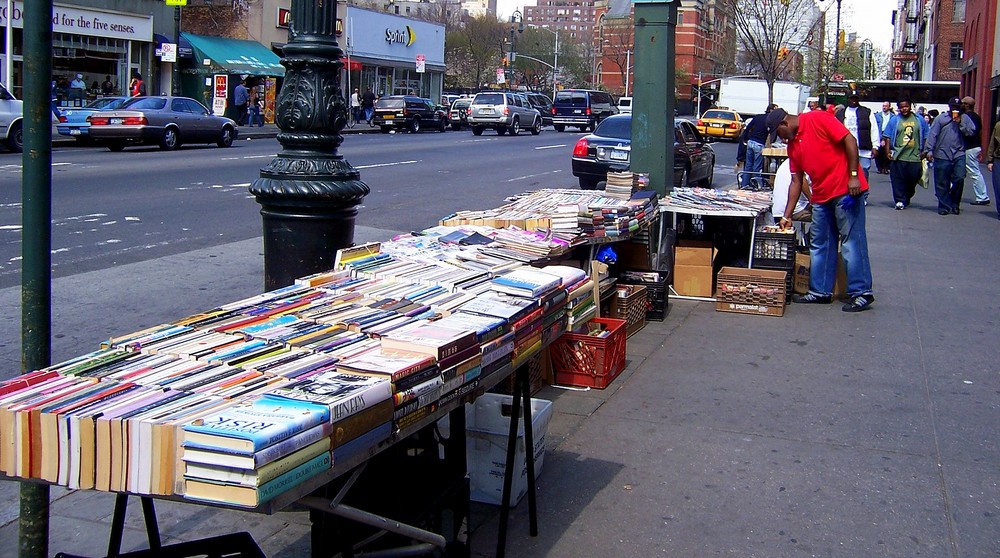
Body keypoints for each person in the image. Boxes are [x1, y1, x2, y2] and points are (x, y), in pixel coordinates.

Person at [768, 107, 875, 312]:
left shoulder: (817, 119)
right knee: (820, 242)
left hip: (845, 191)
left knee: (852, 241)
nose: (780, 139)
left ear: (785, 123)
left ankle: (861, 292)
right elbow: (796, 182)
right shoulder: (793, 147)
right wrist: (787, 215)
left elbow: (849, 140)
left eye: (778, 134)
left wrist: (853, 175)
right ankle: (820, 291)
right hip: (821, 196)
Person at [924, 96, 976, 215]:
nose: (955, 109)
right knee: (942, 181)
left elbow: (971, 133)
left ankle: (954, 203)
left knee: (959, 178)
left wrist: (961, 122)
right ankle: (944, 206)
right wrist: (929, 150)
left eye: (957, 107)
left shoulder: (965, 118)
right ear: (949, 107)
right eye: (953, 107)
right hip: (942, 153)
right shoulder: (941, 119)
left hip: (959, 153)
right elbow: (933, 134)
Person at [882, 99, 930, 210]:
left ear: (910, 107)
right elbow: (887, 136)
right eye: (902, 107)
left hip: (915, 156)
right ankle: (899, 200)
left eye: (906, 106)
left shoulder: (919, 120)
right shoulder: (894, 120)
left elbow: (926, 135)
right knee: (897, 179)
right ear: (898, 108)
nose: (904, 109)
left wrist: (925, 150)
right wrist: (887, 151)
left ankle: (907, 195)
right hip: (898, 155)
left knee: (914, 177)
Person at [836, 93, 880, 182]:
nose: (854, 100)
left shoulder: (867, 112)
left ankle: (863, 194)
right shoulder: (841, 113)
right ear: (847, 99)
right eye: (851, 98)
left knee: (863, 173)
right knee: (847, 175)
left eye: (856, 98)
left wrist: (875, 146)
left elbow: (874, 129)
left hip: (863, 150)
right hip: (845, 150)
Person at [960, 96, 990, 206]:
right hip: (976, 146)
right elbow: (981, 132)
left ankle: (982, 196)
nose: (961, 105)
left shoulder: (964, 117)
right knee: (963, 171)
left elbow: (966, 132)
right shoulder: (977, 116)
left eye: (963, 103)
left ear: (967, 105)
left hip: (969, 147)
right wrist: (981, 147)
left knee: (974, 172)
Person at [741, 104, 775, 190]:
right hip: (759, 144)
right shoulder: (770, 120)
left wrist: (745, 138)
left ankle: (744, 185)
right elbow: (772, 133)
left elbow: (748, 128)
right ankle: (755, 185)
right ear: (771, 111)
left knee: (748, 165)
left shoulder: (758, 117)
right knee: (757, 167)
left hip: (751, 141)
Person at [986, 119, 1000, 220]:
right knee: (998, 187)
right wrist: (990, 160)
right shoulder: (998, 126)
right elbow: (992, 143)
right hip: (998, 159)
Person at [875, 101, 894, 174]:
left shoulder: (892, 116)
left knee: (887, 151)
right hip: (880, 134)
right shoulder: (878, 115)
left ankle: (886, 167)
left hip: (889, 135)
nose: (884, 107)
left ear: (889, 107)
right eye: (883, 106)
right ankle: (879, 168)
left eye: (886, 106)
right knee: (879, 152)